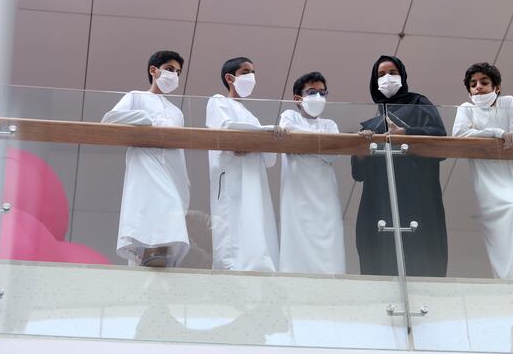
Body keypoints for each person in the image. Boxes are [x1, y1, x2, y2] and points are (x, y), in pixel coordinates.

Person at [352, 55, 448, 276]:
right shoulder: (372, 124)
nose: (387, 78)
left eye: (393, 73)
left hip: (417, 194)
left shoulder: (419, 103)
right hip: (380, 199)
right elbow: (358, 174)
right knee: (380, 255)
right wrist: (361, 150)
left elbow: (440, 140)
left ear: (403, 76)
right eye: (381, 74)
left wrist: (406, 134)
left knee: (420, 254)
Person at [451, 62, 513, 280]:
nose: (478, 88)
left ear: (497, 87)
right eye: (473, 84)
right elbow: (459, 135)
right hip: (485, 174)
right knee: (496, 224)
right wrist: (497, 132)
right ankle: (508, 275)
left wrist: (481, 132)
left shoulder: (508, 102)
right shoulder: (465, 109)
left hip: (511, 170)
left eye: (484, 82)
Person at [101, 50, 190, 268]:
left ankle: (160, 254)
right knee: (151, 206)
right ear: (154, 70)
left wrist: (185, 181)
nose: (174, 75)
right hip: (145, 161)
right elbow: (109, 120)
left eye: (178, 72)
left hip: (172, 168)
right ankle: (149, 251)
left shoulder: (176, 112)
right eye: (170, 69)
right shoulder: (136, 97)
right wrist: (144, 121)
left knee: (170, 210)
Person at [206, 57, 279, 272]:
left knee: (254, 221)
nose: (251, 77)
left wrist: (254, 141)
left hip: (254, 179)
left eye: (253, 72)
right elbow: (228, 129)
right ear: (230, 78)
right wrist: (260, 137)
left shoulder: (251, 117)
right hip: (231, 175)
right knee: (232, 223)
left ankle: (258, 266)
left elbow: (270, 159)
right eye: (246, 72)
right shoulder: (218, 101)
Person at [277, 72, 345, 274]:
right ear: (298, 98)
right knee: (297, 237)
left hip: (325, 194)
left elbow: (334, 154)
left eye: (322, 93)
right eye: (312, 92)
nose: (318, 97)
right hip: (297, 190)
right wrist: (319, 146)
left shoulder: (329, 124)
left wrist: (305, 145)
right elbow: (291, 140)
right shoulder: (289, 116)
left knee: (328, 238)